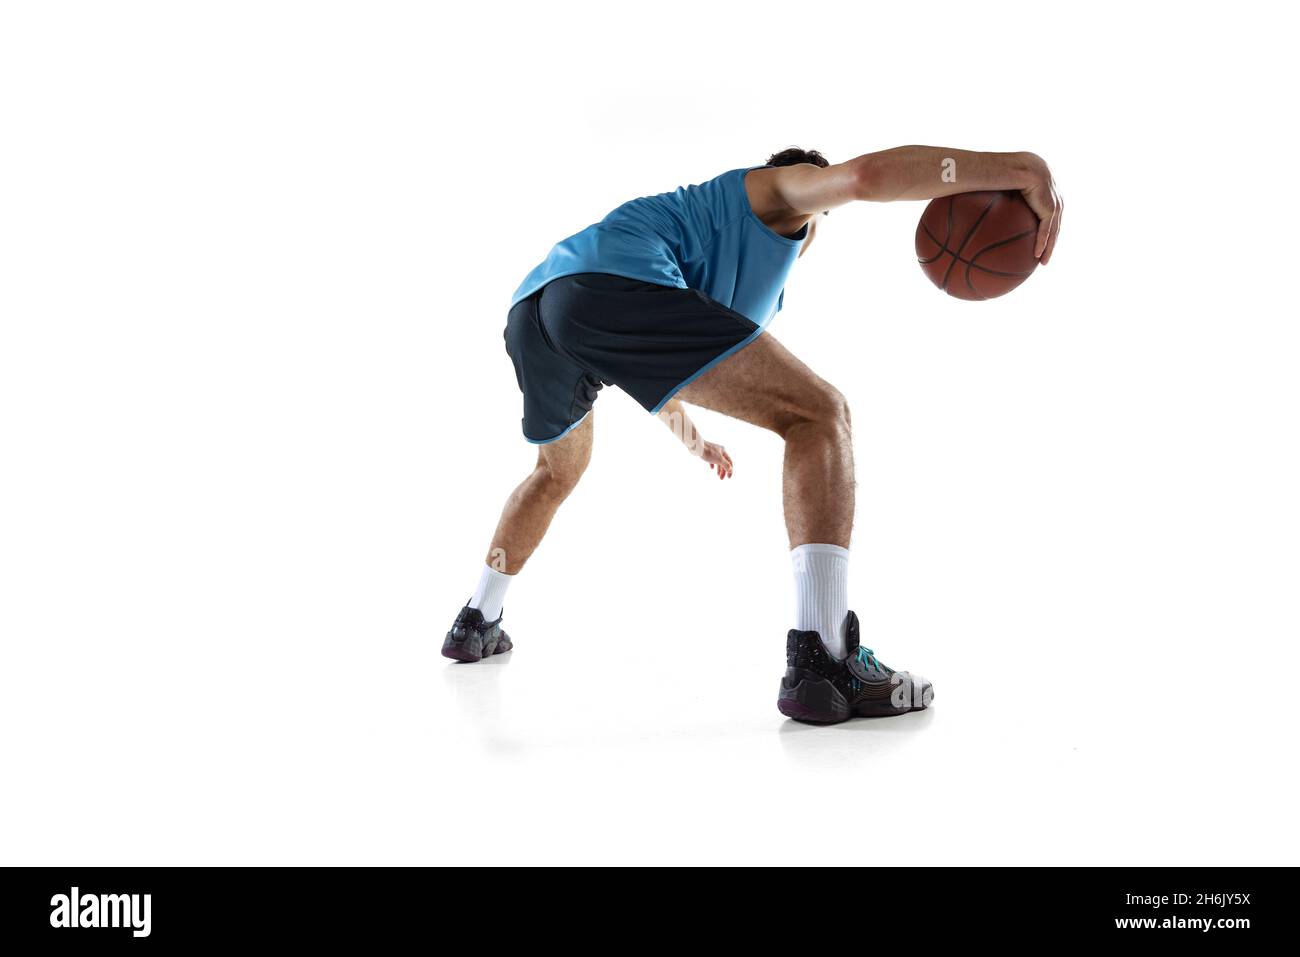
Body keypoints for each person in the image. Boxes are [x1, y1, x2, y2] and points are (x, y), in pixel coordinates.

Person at [443, 145, 1063, 723]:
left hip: (539, 311)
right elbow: (865, 179)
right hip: (605, 291)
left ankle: (477, 619)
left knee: (556, 472)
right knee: (821, 414)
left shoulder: (723, 266)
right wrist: (1017, 168)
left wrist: (693, 438)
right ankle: (824, 660)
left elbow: (642, 347)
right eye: (819, 208)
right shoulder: (773, 195)